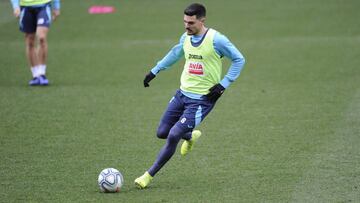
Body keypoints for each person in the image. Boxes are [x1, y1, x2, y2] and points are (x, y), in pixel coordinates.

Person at [134, 3, 246, 189]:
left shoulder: (216, 40)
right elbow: (175, 53)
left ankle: (148, 175)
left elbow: (239, 59)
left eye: (191, 23)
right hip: (181, 94)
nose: (187, 26)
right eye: (185, 21)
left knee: (173, 135)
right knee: (162, 132)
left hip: (202, 99)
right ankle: (190, 136)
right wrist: (155, 71)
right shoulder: (186, 37)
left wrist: (223, 84)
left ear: (202, 21)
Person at [10, 0, 61, 86]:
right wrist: (15, 6)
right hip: (26, 7)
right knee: (30, 41)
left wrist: (56, 6)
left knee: (41, 38)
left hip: (43, 6)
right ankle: (36, 75)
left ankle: (42, 73)